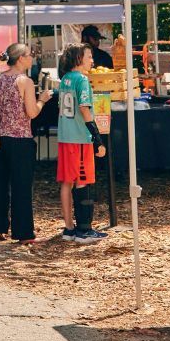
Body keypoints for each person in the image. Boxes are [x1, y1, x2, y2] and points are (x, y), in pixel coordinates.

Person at [0, 43, 53, 244]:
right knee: (21, 187)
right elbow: (32, 113)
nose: (32, 57)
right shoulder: (25, 81)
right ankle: (23, 232)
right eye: (29, 54)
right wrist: (42, 99)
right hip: (20, 139)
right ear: (21, 58)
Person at [57, 43, 108, 243]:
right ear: (79, 58)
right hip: (79, 137)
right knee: (83, 180)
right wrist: (97, 138)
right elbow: (85, 109)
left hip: (64, 136)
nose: (92, 60)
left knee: (66, 182)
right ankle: (84, 230)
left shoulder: (64, 79)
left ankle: (69, 228)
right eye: (88, 56)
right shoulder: (82, 80)